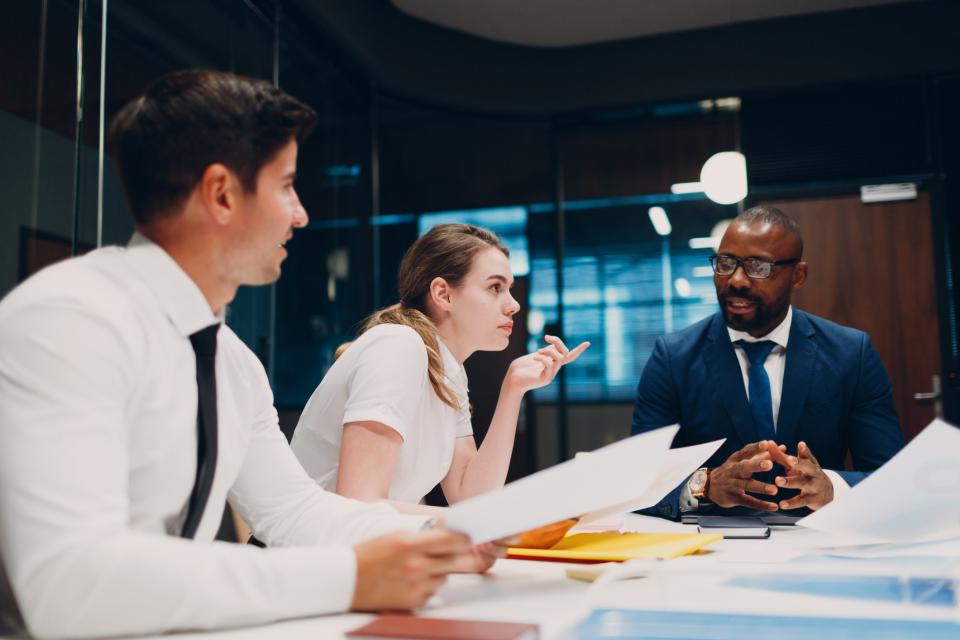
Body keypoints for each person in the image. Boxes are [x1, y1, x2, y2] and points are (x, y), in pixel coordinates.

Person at [0, 69, 494, 640]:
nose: (300, 213)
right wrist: (349, 576)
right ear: (222, 194)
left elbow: (292, 511)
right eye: (286, 185)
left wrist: (446, 534)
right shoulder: (70, 320)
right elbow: (70, 586)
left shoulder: (230, 359)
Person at [291, 223, 589, 513]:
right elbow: (360, 504)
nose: (513, 305)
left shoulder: (449, 370)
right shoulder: (397, 345)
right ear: (443, 294)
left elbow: (471, 498)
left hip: (357, 552)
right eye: (495, 287)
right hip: (300, 556)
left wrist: (513, 390)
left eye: (508, 289)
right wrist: (499, 524)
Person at [631, 206, 904, 520]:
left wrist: (832, 489)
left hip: (817, 539)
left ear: (798, 275)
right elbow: (637, 483)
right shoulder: (673, 357)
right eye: (725, 263)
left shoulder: (850, 354)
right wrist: (703, 486)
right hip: (708, 544)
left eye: (757, 267)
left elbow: (891, 478)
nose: (736, 280)